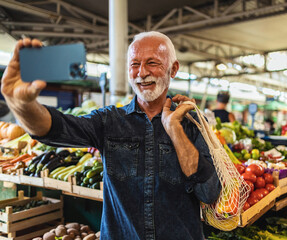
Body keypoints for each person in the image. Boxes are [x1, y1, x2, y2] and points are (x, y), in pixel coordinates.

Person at [1, 32, 221, 239]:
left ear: (173, 69)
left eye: (152, 63)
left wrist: (175, 130)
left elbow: (210, 193)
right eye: (134, 64)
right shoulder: (110, 121)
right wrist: (23, 105)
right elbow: (56, 129)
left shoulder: (192, 123)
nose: (141, 72)